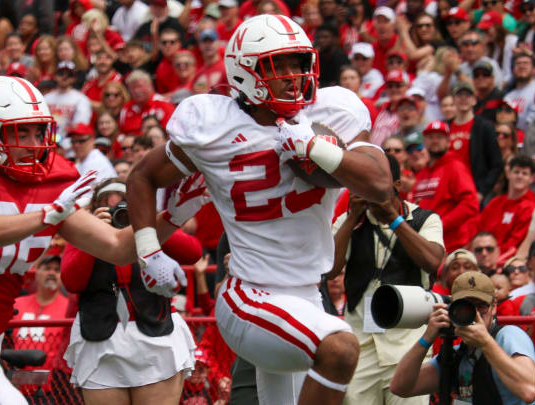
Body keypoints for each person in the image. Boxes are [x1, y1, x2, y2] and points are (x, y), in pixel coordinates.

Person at [126, 14, 394, 405]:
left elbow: (380, 184)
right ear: (245, 71)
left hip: (307, 296)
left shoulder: (331, 114)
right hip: (249, 295)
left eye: (298, 63)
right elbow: (141, 177)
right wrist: (149, 250)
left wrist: (314, 146)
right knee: (340, 348)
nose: (292, 75)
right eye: (277, 65)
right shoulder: (213, 125)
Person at [0, 76, 166, 404]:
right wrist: (44, 216)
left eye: (37, 131)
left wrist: (172, 212)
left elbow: (117, 247)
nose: (33, 143)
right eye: (19, 133)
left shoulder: (49, 183)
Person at [62, 178, 201, 405]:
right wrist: (93, 234)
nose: (119, 214)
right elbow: (72, 282)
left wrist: (146, 223)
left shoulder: (147, 225)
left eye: (124, 205)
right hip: (100, 337)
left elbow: (193, 253)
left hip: (157, 331)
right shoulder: (82, 232)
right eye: (108, 207)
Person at [328, 154, 444, 405]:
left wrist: (394, 219)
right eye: (362, 181)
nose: (368, 187)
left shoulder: (425, 219)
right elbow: (329, 269)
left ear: (397, 186)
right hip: (361, 348)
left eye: (375, 181)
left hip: (408, 345)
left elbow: (432, 261)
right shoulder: (349, 221)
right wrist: (350, 219)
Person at [392, 271, 535, 404]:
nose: (475, 314)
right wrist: (427, 338)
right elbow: (401, 387)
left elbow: (529, 392)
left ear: (494, 306)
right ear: (452, 309)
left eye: (481, 306)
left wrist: (486, 343)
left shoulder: (508, 336)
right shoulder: (459, 355)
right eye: (466, 307)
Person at [11, 255, 73, 403]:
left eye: (57, 270)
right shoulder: (16, 304)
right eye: (47, 268)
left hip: (54, 391)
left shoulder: (69, 309)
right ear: (36, 273)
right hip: (14, 386)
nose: (52, 273)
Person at [413, 120, 479, 252]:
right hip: (426, 245)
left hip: (452, 245)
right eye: (430, 137)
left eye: (439, 137)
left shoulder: (455, 167)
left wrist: (439, 224)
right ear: (424, 141)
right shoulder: (422, 173)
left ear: (448, 141)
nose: (435, 141)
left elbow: (470, 204)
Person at [446, 81, 503, 202]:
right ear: (453, 99)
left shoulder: (484, 127)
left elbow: (497, 163)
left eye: (468, 95)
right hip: (448, 191)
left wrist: (482, 192)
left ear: (474, 100)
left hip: (473, 191)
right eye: (459, 95)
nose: (463, 99)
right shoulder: (446, 126)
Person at [477, 154, 535, 257]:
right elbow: (478, 229)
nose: (519, 176)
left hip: (506, 261)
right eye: (516, 172)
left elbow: (515, 243)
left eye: (524, 173)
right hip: (483, 254)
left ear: (531, 178)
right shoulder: (495, 203)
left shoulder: (531, 207)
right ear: (508, 173)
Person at [44, 61, 92, 142]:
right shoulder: (46, 98)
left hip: (70, 146)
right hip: (47, 143)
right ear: (55, 76)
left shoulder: (81, 99)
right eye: (61, 74)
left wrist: (63, 143)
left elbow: (80, 126)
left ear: (74, 78)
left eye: (69, 75)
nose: (64, 77)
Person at [503, 53, 535, 132]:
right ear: (513, 70)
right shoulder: (508, 97)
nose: (521, 66)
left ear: (534, 70)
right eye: (518, 63)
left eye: (526, 63)